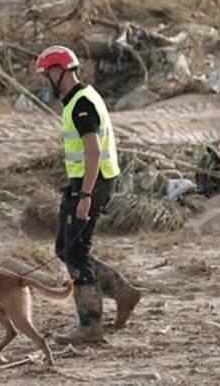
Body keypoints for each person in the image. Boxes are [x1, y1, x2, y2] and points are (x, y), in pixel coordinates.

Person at [35, 45, 141, 344]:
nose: (45, 81)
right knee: (64, 249)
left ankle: (90, 324)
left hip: (93, 183)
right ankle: (122, 292)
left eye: (46, 74)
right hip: (86, 182)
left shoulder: (82, 104)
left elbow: (93, 151)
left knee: (76, 253)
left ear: (60, 71)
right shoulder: (78, 100)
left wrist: (85, 196)